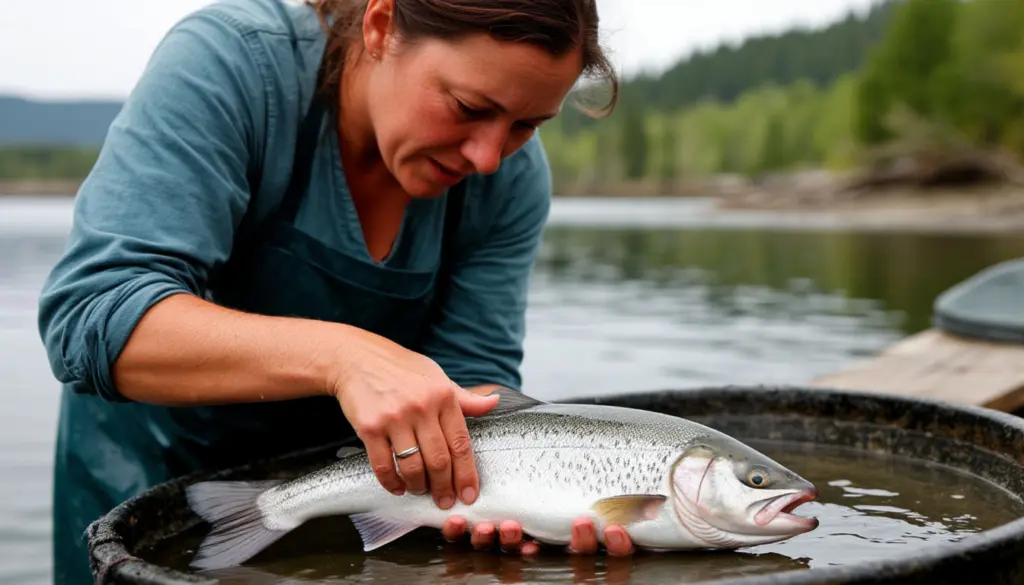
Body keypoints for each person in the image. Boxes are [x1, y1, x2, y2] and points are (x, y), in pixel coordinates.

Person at [36, 0, 633, 582]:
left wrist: (495, 497)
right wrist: (342, 358)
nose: (487, 158)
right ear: (380, 26)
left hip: (366, 504)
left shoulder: (512, 182)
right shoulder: (231, 64)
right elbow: (92, 316)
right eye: (468, 106)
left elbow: (474, 383)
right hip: (143, 477)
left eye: (526, 124)